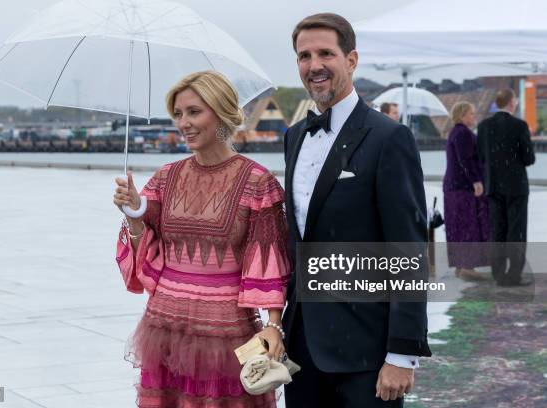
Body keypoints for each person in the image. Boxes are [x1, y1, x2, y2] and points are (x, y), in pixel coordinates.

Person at [113, 71, 291, 407]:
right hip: (163, 327)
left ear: (221, 112)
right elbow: (144, 256)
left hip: (225, 335)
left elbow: (268, 262)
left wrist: (273, 325)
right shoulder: (165, 177)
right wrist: (134, 211)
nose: (184, 123)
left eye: (194, 112)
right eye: (178, 114)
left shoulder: (257, 181)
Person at [281, 13, 431, 407]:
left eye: (325, 53)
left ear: (351, 60)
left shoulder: (389, 138)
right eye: (304, 56)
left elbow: (409, 250)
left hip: (367, 351)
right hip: (301, 350)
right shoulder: (294, 136)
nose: (314, 66)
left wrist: (402, 353)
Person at [477, 88, 535, 286]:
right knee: (516, 231)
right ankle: (513, 275)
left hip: (493, 185)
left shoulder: (484, 126)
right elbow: (529, 159)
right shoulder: (519, 126)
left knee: (497, 230)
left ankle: (498, 274)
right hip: (516, 186)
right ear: (512, 103)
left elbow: (481, 156)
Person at [442, 102, 490, 280]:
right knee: (467, 224)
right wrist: (476, 181)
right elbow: (466, 160)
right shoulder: (463, 133)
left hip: (454, 186)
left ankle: (460, 265)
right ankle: (467, 266)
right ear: (462, 115)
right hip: (462, 187)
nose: (474, 117)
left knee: (456, 225)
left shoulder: (455, 132)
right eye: (471, 113)